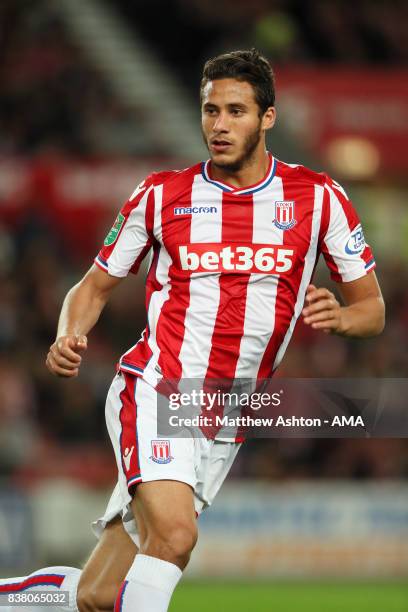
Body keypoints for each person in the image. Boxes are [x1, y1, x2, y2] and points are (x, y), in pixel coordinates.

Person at [0, 49, 384, 612]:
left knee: (100, 595)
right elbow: (92, 287)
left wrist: (342, 317)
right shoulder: (160, 194)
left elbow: (371, 308)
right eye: (210, 111)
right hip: (158, 387)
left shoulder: (319, 198)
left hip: (225, 414)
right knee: (176, 538)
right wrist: (67, 334)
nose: (219, 125)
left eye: (235, 111)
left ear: (268, 117)